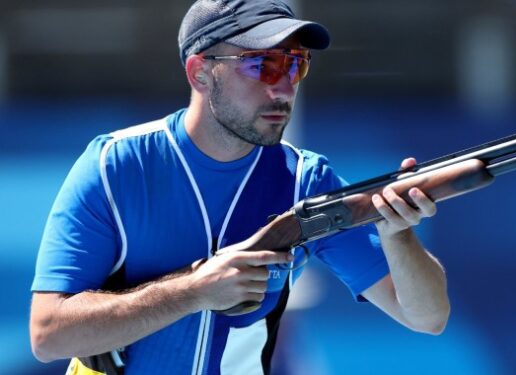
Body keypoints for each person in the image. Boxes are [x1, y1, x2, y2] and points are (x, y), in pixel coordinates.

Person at [29, 0, 450, 374]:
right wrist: (193, 292)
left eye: (295, 64)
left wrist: (397, 235)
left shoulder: (305, 179)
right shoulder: (115, 166)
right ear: (200, 73)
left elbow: (427, 317)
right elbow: (48, 335)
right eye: (262, 64)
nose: (284, 87)